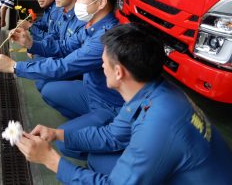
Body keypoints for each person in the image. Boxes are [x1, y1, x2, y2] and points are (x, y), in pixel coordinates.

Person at [15, 23, 232, 184]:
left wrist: (50, 160)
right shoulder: (152, 90)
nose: (101, 66)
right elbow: (112, 136)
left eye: (103, 62)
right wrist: (56, 134)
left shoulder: (158, 123)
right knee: (92, 156)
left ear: (119, 72)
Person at [0, 0, 124, 159]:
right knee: (49, 91)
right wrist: (30, 43)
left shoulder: (104, 37)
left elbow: (64, 66)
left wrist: (15, 67)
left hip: (107, 104)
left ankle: (102, 147)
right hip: (90, 92)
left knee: (64, 141)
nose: (78, 1)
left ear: (101, 2)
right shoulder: (91, 26)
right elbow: (63, 48)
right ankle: (85, 124)